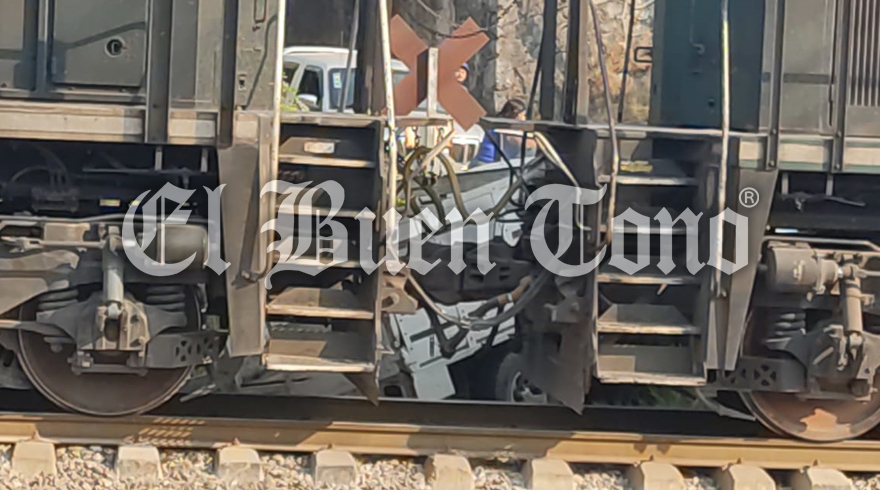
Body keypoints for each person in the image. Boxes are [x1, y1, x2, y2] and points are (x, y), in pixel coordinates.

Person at [472, 98, 527, 167]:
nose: (524, 118)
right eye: (523, 115)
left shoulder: (497, 125)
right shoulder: (506, 131)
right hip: (488, 166)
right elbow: (522, 144)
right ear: (516, 115)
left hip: (478, 163)